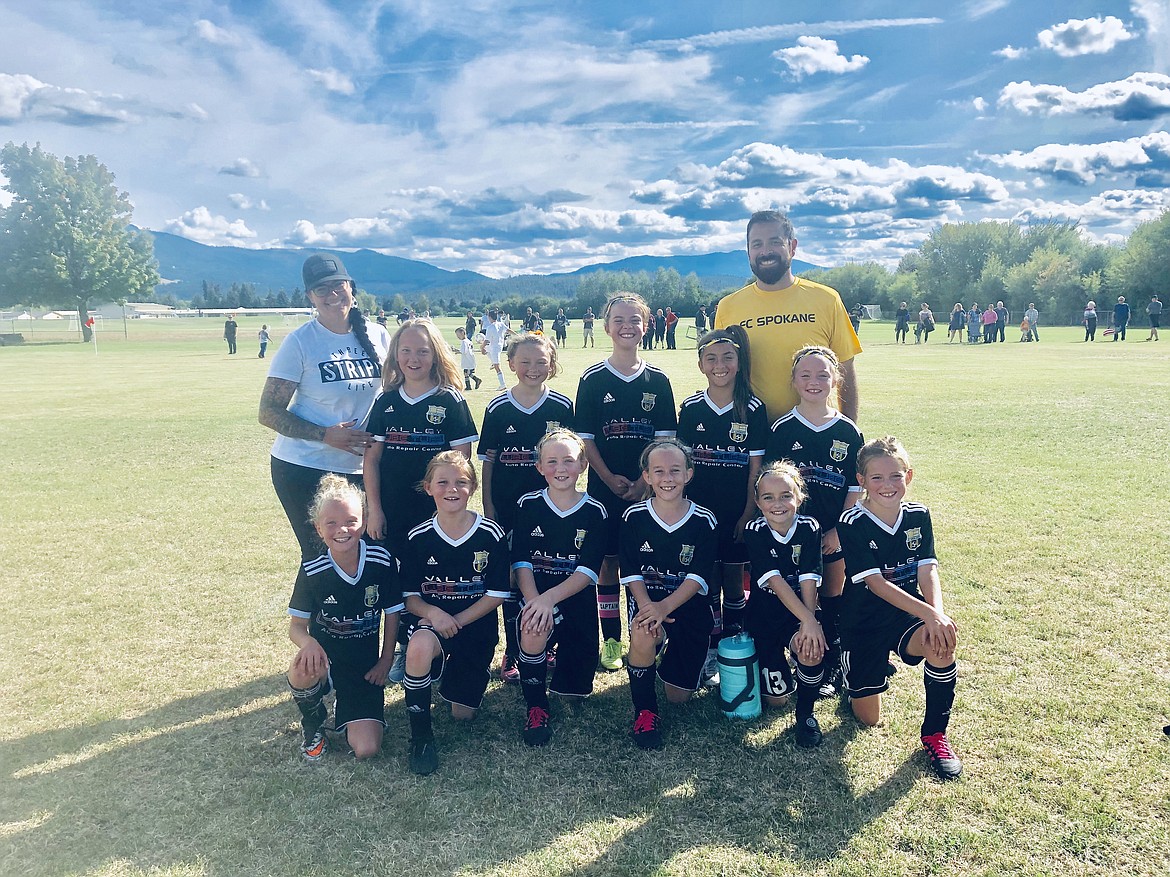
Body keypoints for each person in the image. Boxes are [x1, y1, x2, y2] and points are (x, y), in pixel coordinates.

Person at [838, 436, 962, 781]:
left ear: (908, 476)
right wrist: (930, 614)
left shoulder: (918, 515)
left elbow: (927, 567)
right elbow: (876, 583)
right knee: (868, 719)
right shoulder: (852, 522)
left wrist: (935, 613)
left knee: (942, 643)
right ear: (861, 481)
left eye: (895, 476)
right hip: (862, 620)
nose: (887, 485)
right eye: (876, 478)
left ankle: (935, 735)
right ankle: (854, 676)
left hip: (905, 612)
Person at [362, 319, 478, 682]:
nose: (414, 358)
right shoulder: (386, 400)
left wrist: (455, 508)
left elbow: (463, 464)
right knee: (399, 581)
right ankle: (402, 647)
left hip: (437, 513)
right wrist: (375, 508)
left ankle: (441, 645)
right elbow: (372, 459)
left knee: (434, 576)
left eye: (423, 351)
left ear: (435, 355)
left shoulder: (450, 400)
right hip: (394, 512)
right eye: (406, 350)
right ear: (395, 354)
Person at [259, 254, 392, 561]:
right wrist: (325, 435)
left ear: (351, 287)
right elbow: (268, 411)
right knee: (323, 557)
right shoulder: (301, 342)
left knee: (369, 556)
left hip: (365, 470)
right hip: (306, 467)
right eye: (322, 289)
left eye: (337, 285)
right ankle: (311, 612)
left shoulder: (378, 335)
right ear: (310, 297)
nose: (332, 295)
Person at [575, 292, 677, 673]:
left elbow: (665, 440)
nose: (626, 326)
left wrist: (643, 483)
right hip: (606, 491)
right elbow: (585, 439)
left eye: (635, 319)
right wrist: (607, 478)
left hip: (649, 491)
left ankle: (648, 632)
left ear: (646, 325)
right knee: (608, 565)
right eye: (618, 319)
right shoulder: (592, 379)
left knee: (646, 562)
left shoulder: (659, 380)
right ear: (606, 327)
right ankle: (612, 641)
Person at [399, 452, 509, 774]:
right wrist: (435, 613)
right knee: (419, 646)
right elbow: (410, 598)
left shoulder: (491, 534)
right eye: (443, 482)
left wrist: (457, 621)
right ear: (429, 487)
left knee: (463, 714)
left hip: (474, 627)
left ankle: (449, 673)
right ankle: (421, 737)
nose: (452, 489)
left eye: (461, 482)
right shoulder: (418, 537)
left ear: (473, 488)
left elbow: (497, 594)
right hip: (433, 624)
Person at [764, 346, 863, 699]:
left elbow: (855, 486)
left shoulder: (848, 431)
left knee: (832, 596)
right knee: (794, 594)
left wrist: (839, 530)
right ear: (793, 381)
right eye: (805, 375)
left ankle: (831, 665)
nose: (814, 382)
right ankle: (798, 655)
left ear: (835, 379)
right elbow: (771, 486)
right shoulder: (780, 428)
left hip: (831, 534)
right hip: (789, 535)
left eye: (822, 375)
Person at [286, 475, 403, 761]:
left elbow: (393, 612)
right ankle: (313, 724)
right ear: (318, 527)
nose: (342, 529)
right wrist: (309, 644)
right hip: (325, 659)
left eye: (351, 521)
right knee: (301, 669)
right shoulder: (313, 569)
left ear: (363, 521)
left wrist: (386, 660)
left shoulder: (381, 560)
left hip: (363, 666)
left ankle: (347, 703)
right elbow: (296, 627)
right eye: (331, 523)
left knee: (367, 749)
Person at [479, 333, 573, 683]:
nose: (533, 369)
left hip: (552, 509)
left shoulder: (562, 406)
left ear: (552, 365)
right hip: (507, 509)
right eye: (525, 362)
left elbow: (571, 460)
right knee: (513, 578)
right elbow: (489, 460)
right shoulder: (498, 407)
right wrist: (489, 504)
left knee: (548, 572)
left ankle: (549, 642)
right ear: (510, 364)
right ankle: (514, 649)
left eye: (541, 362)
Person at [676, 326, 767, 687]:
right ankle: (711, 648)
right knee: (705, 579)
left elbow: (755, 466)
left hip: (736, 512)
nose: (720, 365)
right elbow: (682, 463)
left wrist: (749, 510)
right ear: (700, 364)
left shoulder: (752, 408)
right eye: (711, 358)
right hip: (699, 513)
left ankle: (734, 643)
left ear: (739, 361)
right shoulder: (691, 407)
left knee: (733, 580)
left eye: (728, 357)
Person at [714, 210, 862, 422]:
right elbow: (724, 375)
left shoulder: (826, 299)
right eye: (757, 244)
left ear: (792, 247)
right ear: (748, 252)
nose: (765, 251)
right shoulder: (728, 307)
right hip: (753, 436)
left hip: (813, 430)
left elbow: (845, 369)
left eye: (774, 242)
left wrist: (849, 432)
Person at [511, 429, 608, 745]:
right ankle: (536, 706)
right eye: (551, 462)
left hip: (574, 598)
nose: (561, 469)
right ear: (539, 467)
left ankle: (562, 671)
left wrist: (548, 600)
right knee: (533, 627)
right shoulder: (528, 504)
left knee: (573, 694)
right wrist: (534, 601)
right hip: (534, 594)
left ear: (583, 465)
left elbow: (587, 571)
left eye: (569, 460)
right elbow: (521, 561)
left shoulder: (596, 511)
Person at [619, 439, 717, 749]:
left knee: (679, 698)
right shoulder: (633, 517)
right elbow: (631, 571)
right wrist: (649, 608)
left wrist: (665, 607)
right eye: (658, 471)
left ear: (689, 474)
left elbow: (698, 575)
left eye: (675, 470)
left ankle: (668, 663)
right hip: (649, 602)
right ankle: (645, 710)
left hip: (687, 606)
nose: (667, 478)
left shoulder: (704, 519)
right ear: (646, 476)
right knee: (644, 631)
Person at [742, 461, 828, 747]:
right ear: (757, 501)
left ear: (799, 497)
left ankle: (806, 715)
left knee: (810, 648)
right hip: (764, 616)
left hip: (799, 610)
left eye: (786, 495)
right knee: (777, 700)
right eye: (768, 497)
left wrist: (808, 623)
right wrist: (809, 620)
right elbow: (776, 581)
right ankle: (773, 665)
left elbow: (808, 576)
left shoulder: (809, 527)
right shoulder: (755, 530)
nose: (777, 504)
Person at [482, 308, 510, 390]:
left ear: (489, 317)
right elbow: (508, 330)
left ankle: (503, 384)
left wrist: (481, 347)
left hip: (495, 347)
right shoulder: (500, 324)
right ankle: (492, 363)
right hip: (497, 345)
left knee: (497, 366)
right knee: (486, 350)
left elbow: (486, 340)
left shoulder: (490, 327)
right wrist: (517, 335)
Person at [455, 326, 482, 391]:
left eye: (458, 335)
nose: (458, 337)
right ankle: (468, 386)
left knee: (467, 372)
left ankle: (476, 380)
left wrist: (456, 351)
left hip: (467, 360)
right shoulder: (468, 341)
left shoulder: (464, 342)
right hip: (470, 358)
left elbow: (463, 351)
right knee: (466, 372)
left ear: (463, 333)